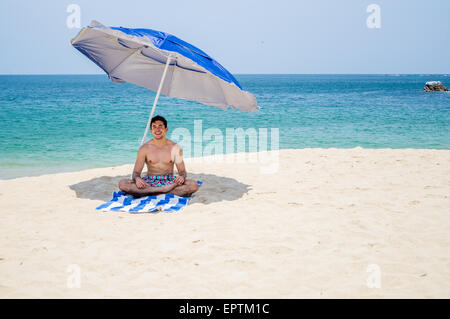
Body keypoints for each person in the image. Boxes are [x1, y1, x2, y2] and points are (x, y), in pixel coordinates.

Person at [118, 115, 199, 197]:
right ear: (151, 130)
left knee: (193, 185)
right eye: (154, 127)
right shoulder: (144, 148)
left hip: (169, 181)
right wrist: (138, 179)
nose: (157, 129)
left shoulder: (175, 148)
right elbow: (136, 173)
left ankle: (150, 192)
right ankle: (163, 191)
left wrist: (181, 177)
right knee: (123, 184)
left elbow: (182, 172)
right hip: (150, 181)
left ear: (166, 129)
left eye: (160, 126)